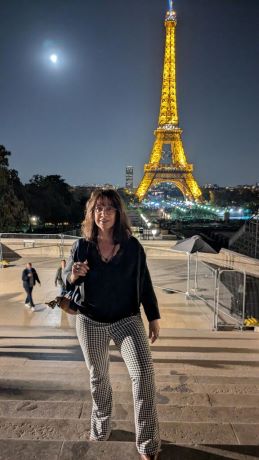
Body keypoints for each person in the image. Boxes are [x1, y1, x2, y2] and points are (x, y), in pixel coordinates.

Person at [63, 189, 161, 460]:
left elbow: (145, 283)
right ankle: (100, 427)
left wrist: (153, 316)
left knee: (143, 375)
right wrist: (72, 276)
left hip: (126, 320)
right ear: (91, 213)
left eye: (108, 208)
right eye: (97, 208)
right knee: (99, 378)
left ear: (118, 214)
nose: (102, 213)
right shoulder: (82, 246)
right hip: (90, 320)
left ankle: (149, 443)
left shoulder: (132, 247)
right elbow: (65, 282)